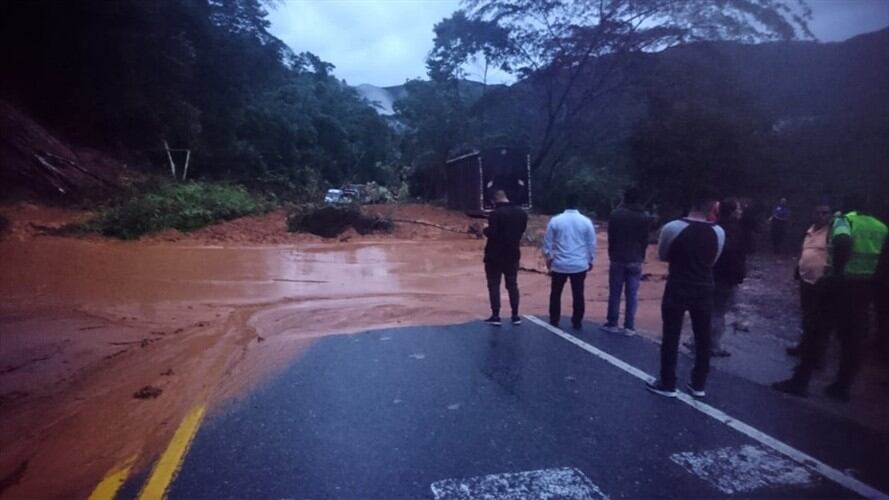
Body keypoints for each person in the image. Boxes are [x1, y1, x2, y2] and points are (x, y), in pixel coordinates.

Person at [773, 196, 887, 401]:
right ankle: (842, 387)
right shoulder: (881, 227)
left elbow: (842, 241)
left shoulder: (845, 220)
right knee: (852, 340)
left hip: (840, 284)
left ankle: (800, 381)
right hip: (864, 288)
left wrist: (837, 272)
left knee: (816, 331)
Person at [646, 193, 725, 398]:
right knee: (702, 335)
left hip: (678, 283)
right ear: (710, 208)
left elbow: (663, 254)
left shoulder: (673, 227)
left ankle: (667, 381)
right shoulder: (718, 232)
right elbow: (713, 260)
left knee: (671, 333)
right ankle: (698, 383)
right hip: (705, 286)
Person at [686, 198, 746, 357]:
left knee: (705, 309)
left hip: (709, 274)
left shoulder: (713, 227)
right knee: (719, 312)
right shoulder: (735, 231)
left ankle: (695, 340)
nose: (741, 212)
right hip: (725, 277)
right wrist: (738, 276)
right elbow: (735, 257)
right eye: (738, 209)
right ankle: (712, 346)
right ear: (732, 212)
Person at [784, 201, 833, 358]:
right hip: (806, 280)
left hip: (822, 282)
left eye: (825, 213)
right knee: (807, 316)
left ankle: (817, 355)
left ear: (830, 215)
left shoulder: (832, 233)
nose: (821, 216)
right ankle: (804, 347)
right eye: (818, 212)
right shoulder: (809, 230)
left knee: (820, 320)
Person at [602, 187, 651, 336]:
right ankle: (629, 326)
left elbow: (612, 237)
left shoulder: (616, 214)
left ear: (625, 198)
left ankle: (612, 323)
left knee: (615, 292)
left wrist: (611, 253)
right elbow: (645, 240)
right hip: (635, 259)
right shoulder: (644, 216)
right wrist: (641, 255)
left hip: (618, 257)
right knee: (632, 294)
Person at [544, 193, 597, 330]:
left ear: (565, 203)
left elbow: (548, 243)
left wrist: (549, 259)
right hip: (579, 264)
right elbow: (591, 243)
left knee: (556, 293)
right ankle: (577, 321)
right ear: (577, 204)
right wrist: (590, 259)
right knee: (578, 293)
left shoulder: (556, 220)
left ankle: (554, 320)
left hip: (560, 263)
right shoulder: (586, 221)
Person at [483, 190, 528, 326]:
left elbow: (493, 234)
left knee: (494, 284)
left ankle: (496, 315)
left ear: (495, 200)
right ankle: (515, 315)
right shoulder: (521, 213)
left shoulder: (495, 214)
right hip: (513, 254)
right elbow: (521, 231)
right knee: (512, 285)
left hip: (494, 255)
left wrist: (484, 230)